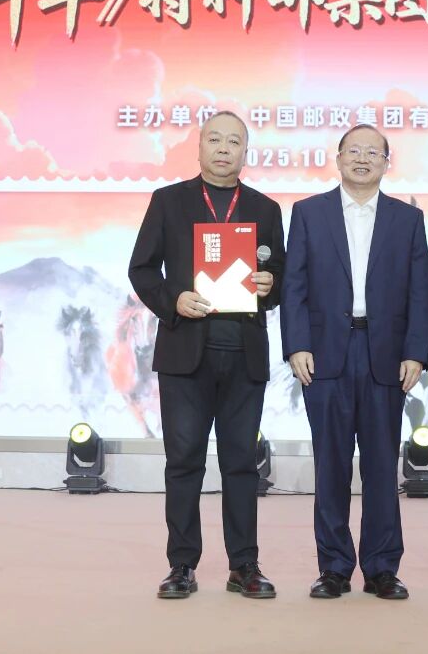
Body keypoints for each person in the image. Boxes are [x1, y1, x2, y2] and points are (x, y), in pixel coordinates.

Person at [128, 110, 286, 599]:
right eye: (214, 139)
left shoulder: (265, 209)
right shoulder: (169, 201)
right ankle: (182, 565)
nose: (223, 148)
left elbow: (280, 280)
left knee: (242, 465)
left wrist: (270, 284)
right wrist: (173, 299)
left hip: (243, 357)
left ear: (245, 152)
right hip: (185, 356)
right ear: (199, 147)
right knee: (183, 463)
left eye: (233, 141)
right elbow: (142, 270)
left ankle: (244, 565)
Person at [281, 124, 428, 600]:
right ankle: (334, 568)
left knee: (383, 465)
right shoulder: (308, 213)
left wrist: (416, 351)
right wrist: (296, 345)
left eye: (373, 152)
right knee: (331, 465)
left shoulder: (407, 219)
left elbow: (420, 292)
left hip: (384, 353)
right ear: (338, 158)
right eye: (354, 151)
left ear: (386, 162)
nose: (362, 159)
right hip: (325, 352)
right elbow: (294, 286)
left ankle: (382, 568)